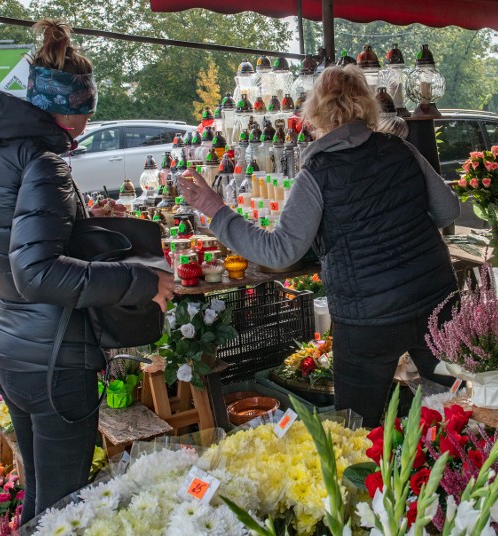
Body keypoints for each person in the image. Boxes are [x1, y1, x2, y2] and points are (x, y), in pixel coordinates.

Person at [0, 19, 174, 522]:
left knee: (40, 499)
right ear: (74, 109)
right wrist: (141, 280)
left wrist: (78, 223)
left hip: (9, 348)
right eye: (89, 108)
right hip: (52, 361)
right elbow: (37, 272)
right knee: (65, 512)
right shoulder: (45, 163)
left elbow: (8, 241)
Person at [178, 64, 459, 426]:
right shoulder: (399, 148)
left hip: (368, 319)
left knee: (358, 429)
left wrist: (215, 210)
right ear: (368, 104)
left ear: (315, 111)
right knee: (462, 400)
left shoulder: (318, 172)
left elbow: (279, 252)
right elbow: (447, 210)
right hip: (435, 298)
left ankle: (372, 480)